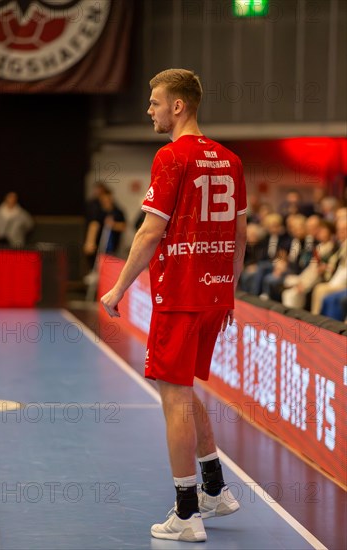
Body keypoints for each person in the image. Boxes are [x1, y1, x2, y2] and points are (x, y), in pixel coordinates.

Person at [101, 69, 247, 543]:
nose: (150, 109)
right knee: (182, 388)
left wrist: (118, 288)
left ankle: (187, 514)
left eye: (155, 102)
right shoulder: (230, 160)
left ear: (178, 106)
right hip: (213, 294)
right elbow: (241, 236)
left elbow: (148, 232)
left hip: (181, 294)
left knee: (173, 398)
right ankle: (215, 490)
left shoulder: (170, 157)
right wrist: (229, 288)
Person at [83, 184, 126, 270]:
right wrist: (90, 241)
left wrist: (113, 225)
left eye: (108, 199)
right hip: (99, 247)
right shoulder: (98, 211)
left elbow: (123, 226)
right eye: (103, 200)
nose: (106, 202)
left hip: (113, 248)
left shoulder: (118, 211)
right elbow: (94, 226)